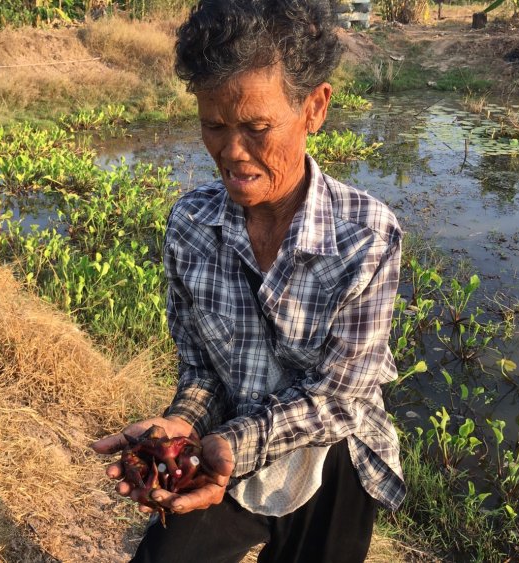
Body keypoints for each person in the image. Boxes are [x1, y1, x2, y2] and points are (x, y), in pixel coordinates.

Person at [91, 1, 406, 561]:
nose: (232, 153)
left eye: (257, 128)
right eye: (214, 125)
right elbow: (201, 369)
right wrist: (179, 426)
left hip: (332, 456)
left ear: (315, 107)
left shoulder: (367, 236)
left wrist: (229, 444)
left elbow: (338, 398)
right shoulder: (191, 225)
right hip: (226, 445)